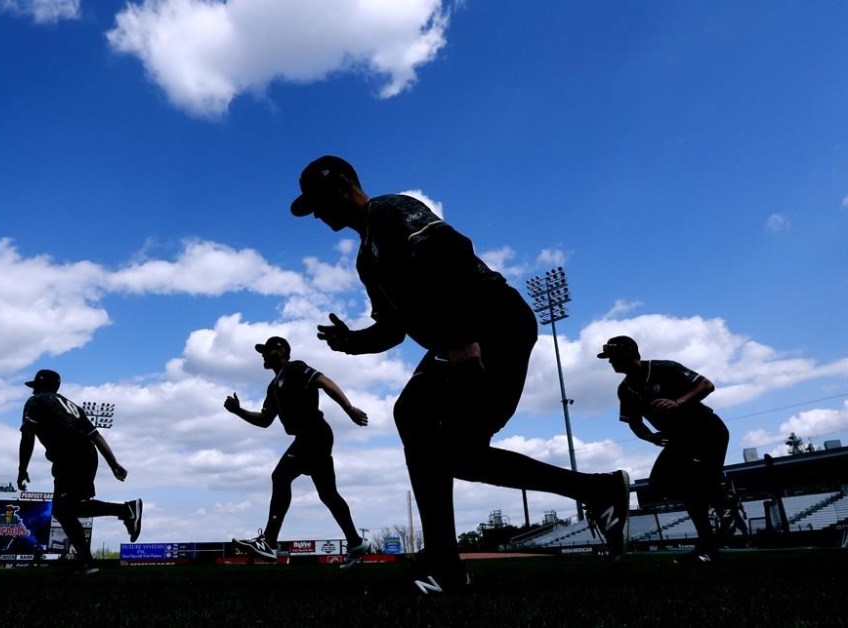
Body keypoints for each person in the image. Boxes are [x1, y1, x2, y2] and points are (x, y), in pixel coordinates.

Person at [289, 155, 631, 593]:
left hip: (493, 320)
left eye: (316, 202)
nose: (315, 214)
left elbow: (451, 247)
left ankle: (445, 567)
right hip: (461, 338)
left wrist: (465, 337)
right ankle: (598, 491)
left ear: (340, 187)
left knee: (418, 419)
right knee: (448, 446)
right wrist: (352, 341)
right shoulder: (366, 260)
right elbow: (393, 330)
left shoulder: (390, 210)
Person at [224, 336, 370, 568]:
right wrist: (238, 411)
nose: (263, 354)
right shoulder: (273, 388)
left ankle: (269, 541)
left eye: (267, 350)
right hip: (309, 437)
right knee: (328, 495)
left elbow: (324, 381)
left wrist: (349, 409)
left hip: (314, 433)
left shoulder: (294, 368)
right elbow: (264, 420)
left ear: (281, 351)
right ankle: (355, 542)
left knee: (280, 476)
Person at [597, 336, 732, 563]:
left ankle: (716, 509)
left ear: (628, 353)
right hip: (680, 439)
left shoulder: (663, 368)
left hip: (707, 430)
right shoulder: (625, 389)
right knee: (661, 483)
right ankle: (717, 499)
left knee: (695, 487)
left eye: (614, 357)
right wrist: (650, 437)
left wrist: (678, 402)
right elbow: (634, 422)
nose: (611, 363)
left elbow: (707, 384)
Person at [17, 369, 143, 574]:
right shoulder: (71, 405)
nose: (33, 392)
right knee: (70, 509)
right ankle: (124, 512)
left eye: (36, 387)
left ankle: (87, 560)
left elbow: (28, 436)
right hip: (86, 454)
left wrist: (22, 469)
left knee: (63, 510)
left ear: (42, 387)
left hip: (69, 455)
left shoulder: (36, 402)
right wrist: (114, 464)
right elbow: (96, 436)